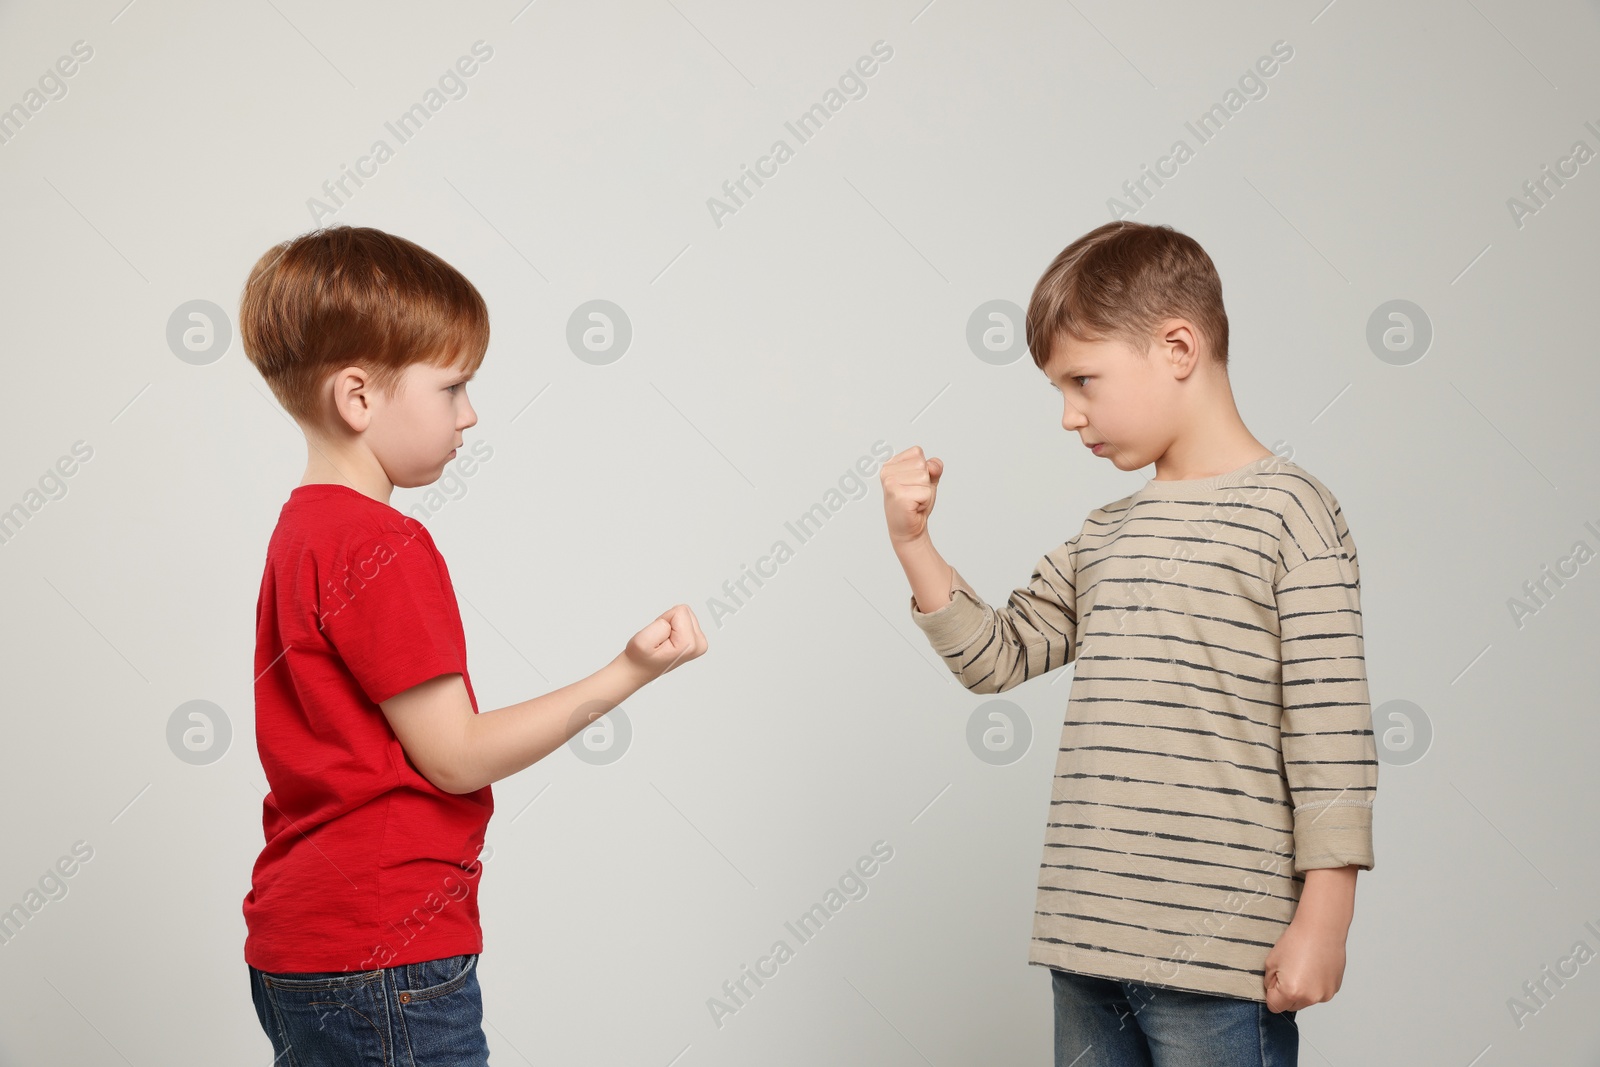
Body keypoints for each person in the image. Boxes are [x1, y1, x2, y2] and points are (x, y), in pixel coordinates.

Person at [880, 220, 1377, 1067]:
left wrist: (1324, 919)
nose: (1070, 416)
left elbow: (1332, 733)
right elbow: (997, 656)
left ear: (1177, 346)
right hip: (1085, 946)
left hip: (1220, 961)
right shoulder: (1106, 531)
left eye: (1083, 380)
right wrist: (914, 544)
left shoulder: (1293, 513)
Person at [236, 225, 707, 1065]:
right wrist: (627, 671)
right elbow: (454, 755)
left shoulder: (299, 531)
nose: (471, 412)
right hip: (386, 945)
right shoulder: (382, 544)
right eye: (453, 387)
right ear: (358, 397)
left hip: (298, 945)